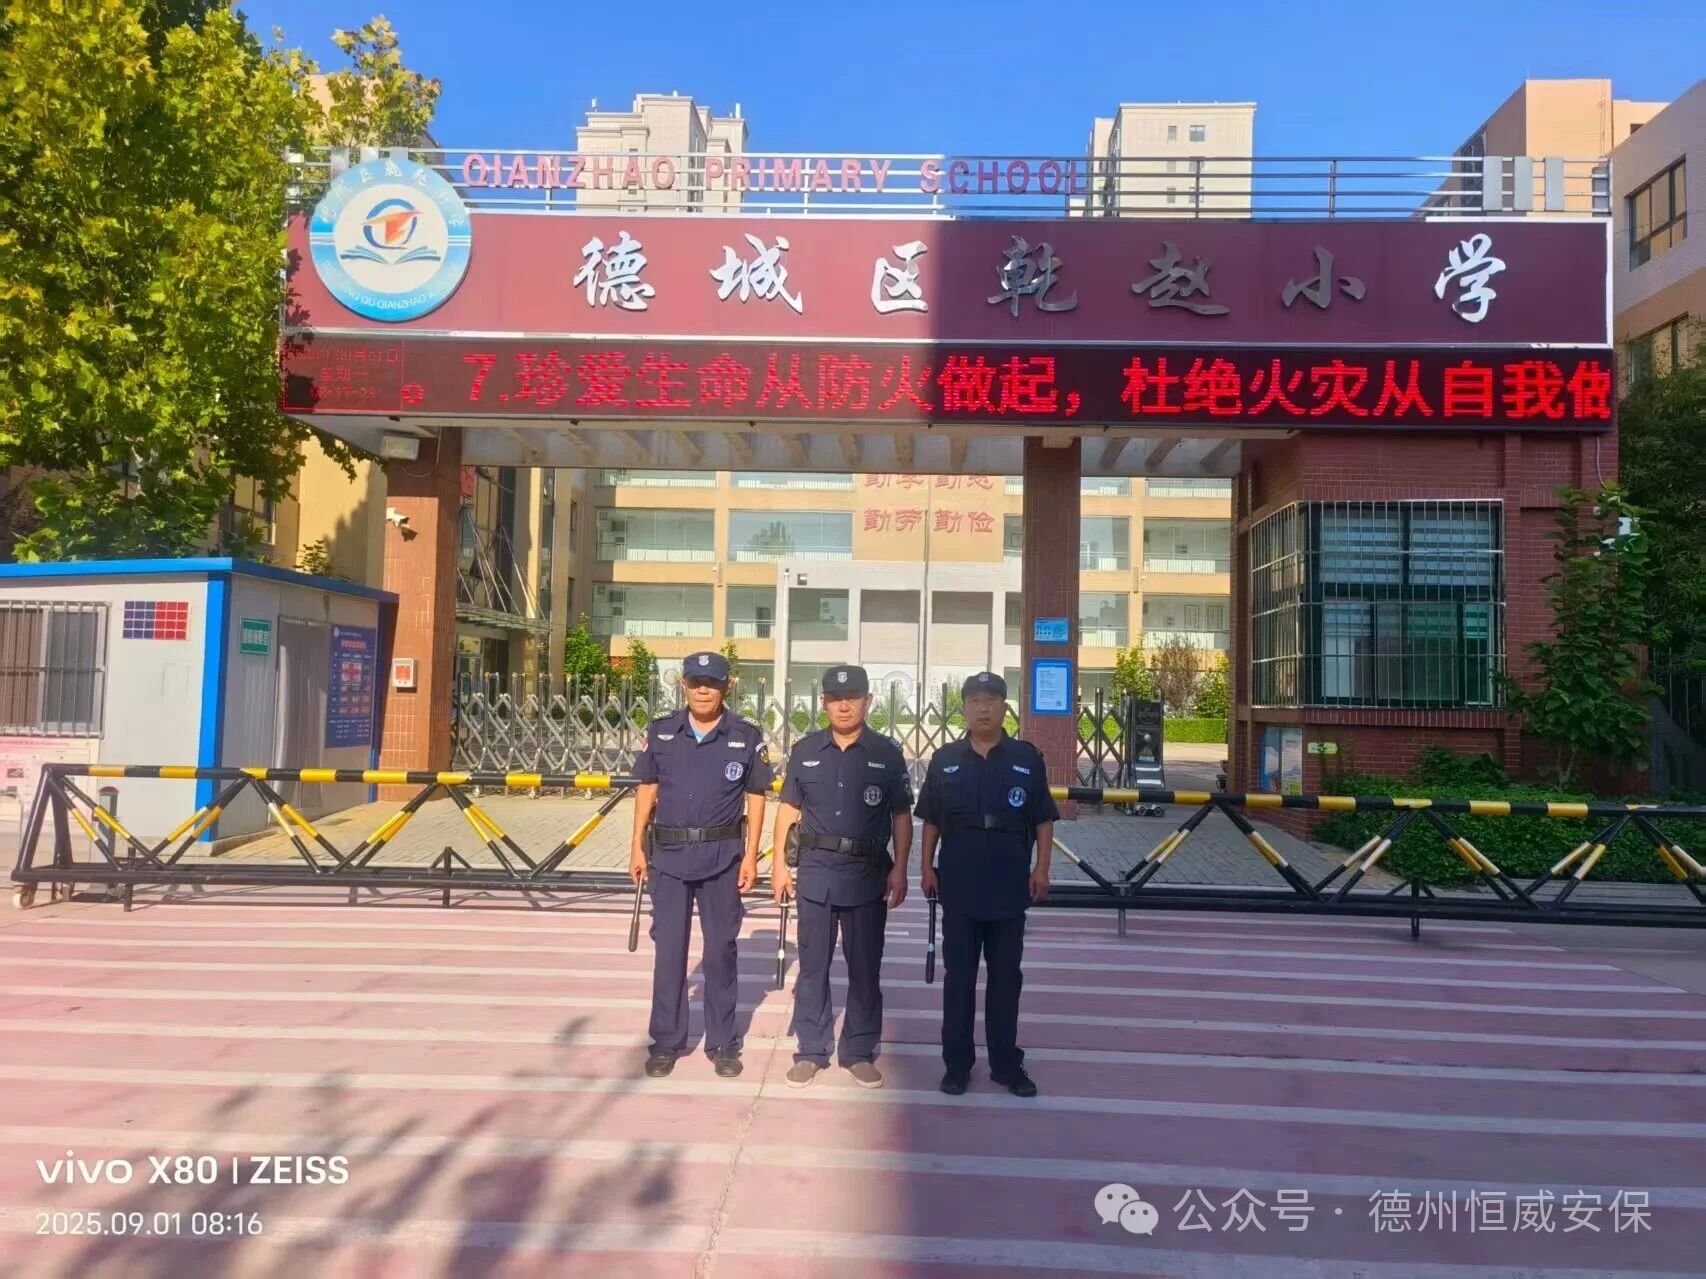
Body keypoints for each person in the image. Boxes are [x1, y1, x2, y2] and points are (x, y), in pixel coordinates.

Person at [629, 650, 772, 1079]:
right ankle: (666, 1042)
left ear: (728, 686)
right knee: (669, 953)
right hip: (669, 859)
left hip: (722, 860)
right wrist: (636, 847)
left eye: (712, 683)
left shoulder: (745, 735)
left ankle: (723, 1042)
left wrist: (751, 856)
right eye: (695, 683)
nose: (703, 690)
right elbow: (646, 789)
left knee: (720, 953)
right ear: (684, 686)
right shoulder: (661, 732)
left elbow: (757, 797)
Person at [916, 671, 1057, 1097]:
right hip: (959, 882)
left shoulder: (1026, 758)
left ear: (1003, 707)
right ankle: (957, 1065)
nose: (983, 708)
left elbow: (1043, 819)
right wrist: (925, 867)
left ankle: (1006, 1065)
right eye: (975, 701)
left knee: (1005, 979)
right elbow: (931, 819)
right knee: (959, 979)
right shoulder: (945, 759)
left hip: (1008, 883)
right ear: (964, 708)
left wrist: (1042, 869)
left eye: (991, 701)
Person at [771, 664, 912, 1089]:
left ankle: (859, 1051)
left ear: (868, 701)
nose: (844, 705)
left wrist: (901, 868)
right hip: (816, 874)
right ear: (824, 703)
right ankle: (810, 1050)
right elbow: (788, 809)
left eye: (853, 697)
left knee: (865, 968)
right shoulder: (805, 750)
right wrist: (778, 866)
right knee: (812, 967)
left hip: (867, 875)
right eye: (836, 698)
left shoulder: (887, 753)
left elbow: (901, 816)